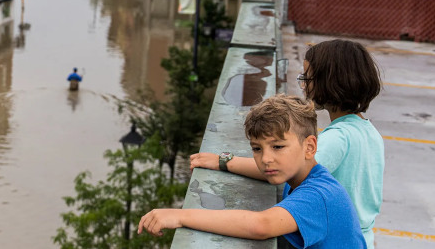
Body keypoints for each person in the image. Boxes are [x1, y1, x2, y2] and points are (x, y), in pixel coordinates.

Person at [189, 39, 384, 247]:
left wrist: (223, 162)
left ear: (330, 81)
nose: (303, 85)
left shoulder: (339, 138)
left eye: (307, 78)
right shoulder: (369, 132)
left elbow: (281, 168)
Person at [139, 95, 366, 248]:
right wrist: (223, 161)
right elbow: (265, 171)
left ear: (309, 147)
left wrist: (180, 216)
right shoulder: (300, 174)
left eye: (277, 147)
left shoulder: (318, 196)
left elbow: (261, 226)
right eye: (257, 149)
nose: (266, 159)